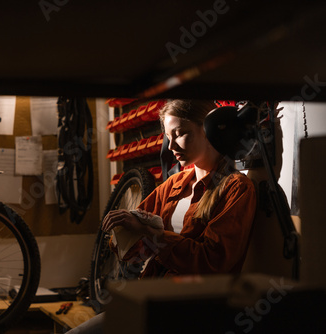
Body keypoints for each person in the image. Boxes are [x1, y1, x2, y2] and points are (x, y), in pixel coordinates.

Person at [66, 99, 257, 333]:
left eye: (181, 133)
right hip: (153, 299)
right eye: (169, 136)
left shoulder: (236, 188)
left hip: (193, 311)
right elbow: (129, 251)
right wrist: (127, 231)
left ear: (207, 130)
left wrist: (152, 234)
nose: (171, 145)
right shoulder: (175, 183)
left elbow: (212, 263)